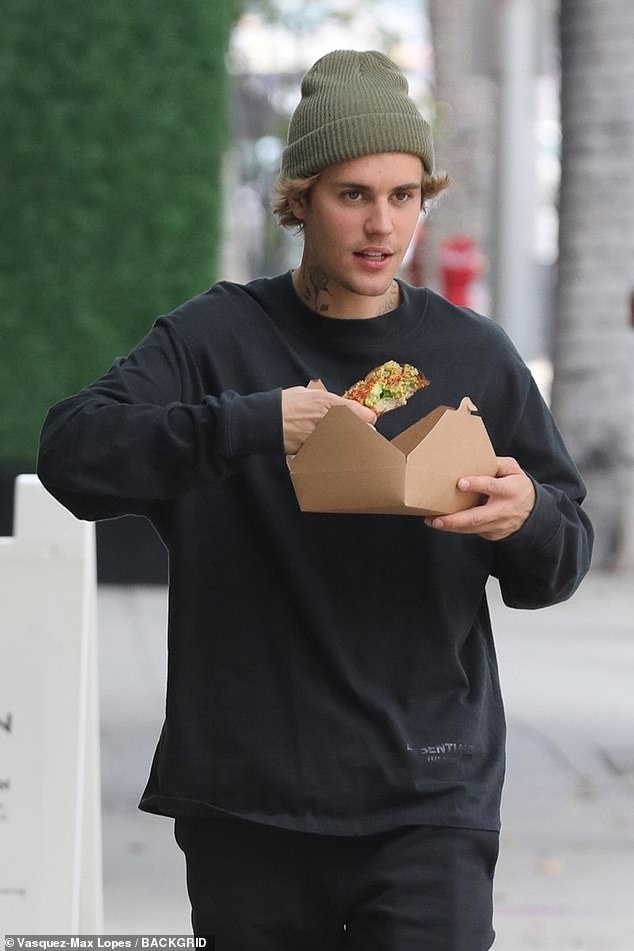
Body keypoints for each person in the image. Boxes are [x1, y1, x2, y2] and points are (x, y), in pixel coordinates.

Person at [37, 49, 593, 951]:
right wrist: (251, 423)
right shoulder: (215, 339)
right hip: (248, 796)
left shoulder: (476, 356)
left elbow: (560, 560)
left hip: (430, 791)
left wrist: (527, 516)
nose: (383, 224)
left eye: (405, 195)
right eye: (353, 194)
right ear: (299, 199)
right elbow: (72, 455)